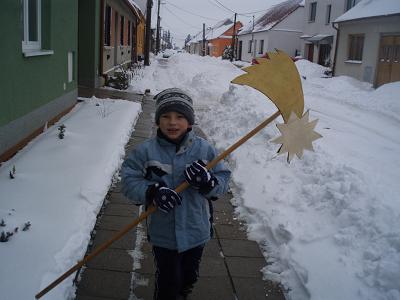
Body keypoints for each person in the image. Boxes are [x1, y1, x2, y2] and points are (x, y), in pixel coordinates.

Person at [121, 88, 231, 300]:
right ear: (157, 121)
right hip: (164, 235)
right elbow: (128, 181)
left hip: (196, 230)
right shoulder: (145, 151)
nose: (172, 122)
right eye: (166, 116)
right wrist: (152, 192)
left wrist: (208, 183)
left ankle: (183, 289)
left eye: (180, 117)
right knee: (168, 283)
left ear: (189, 122)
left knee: (189, 276)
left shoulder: (205, 150)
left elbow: (223, 178)